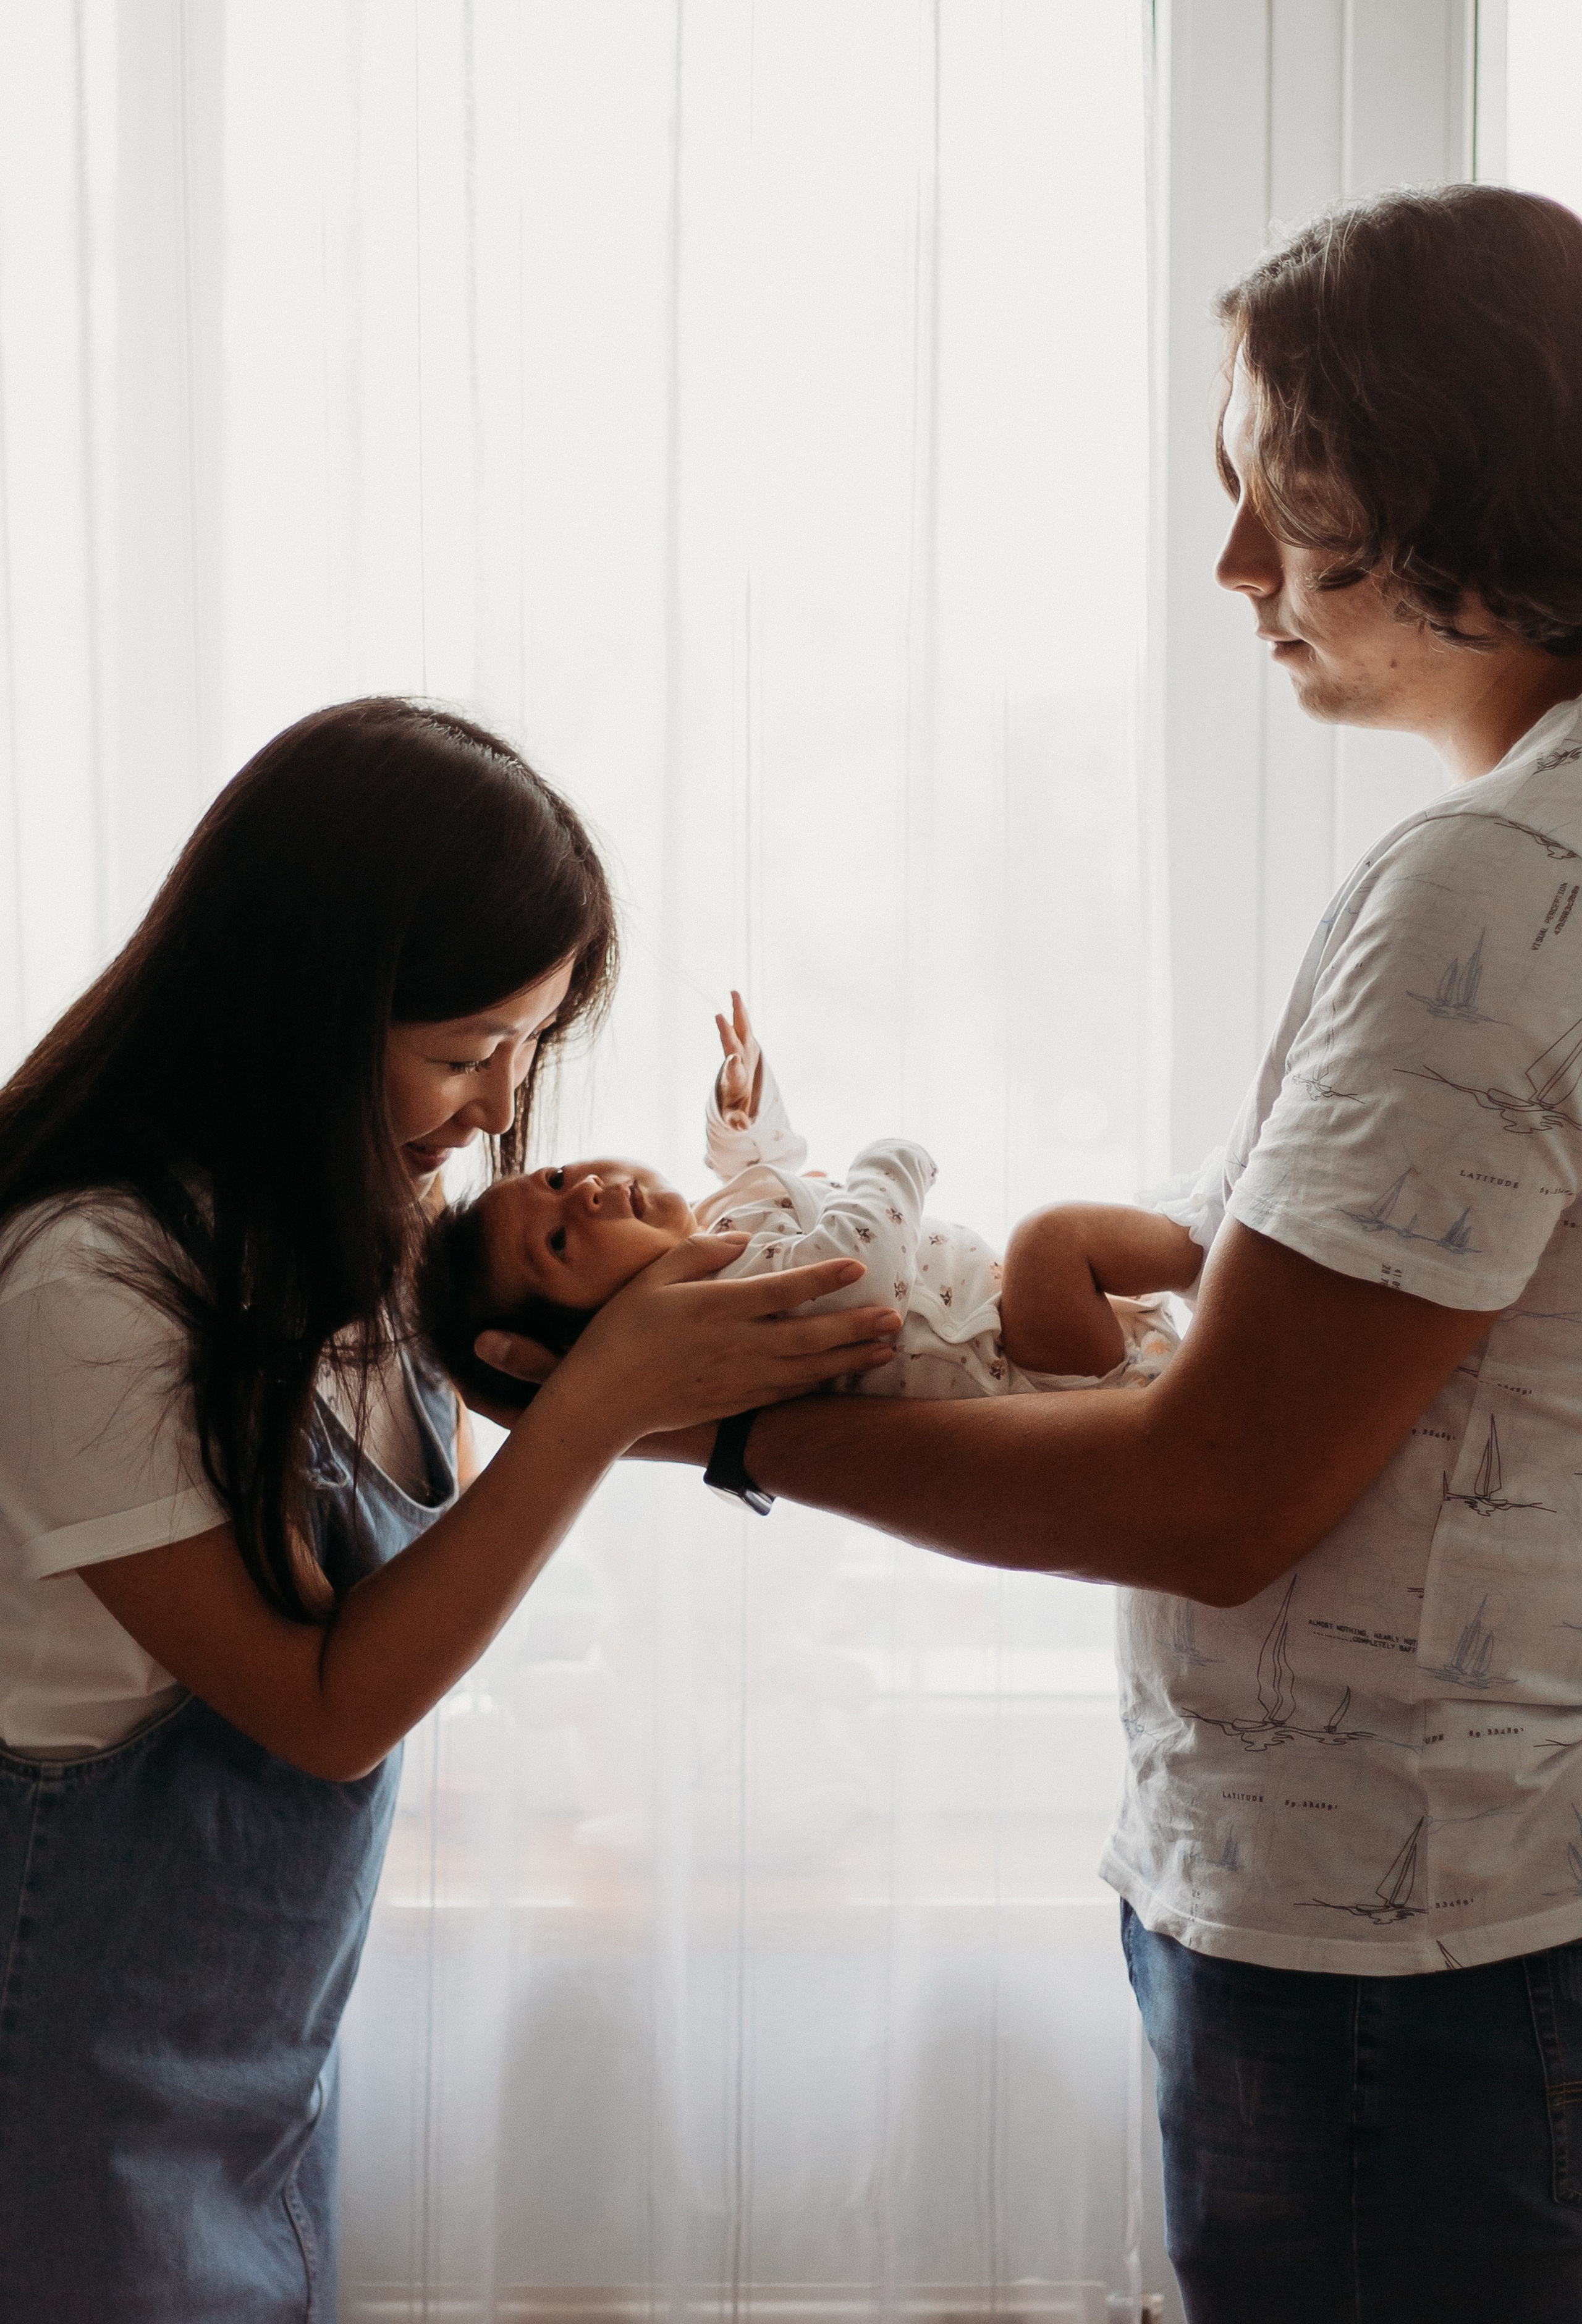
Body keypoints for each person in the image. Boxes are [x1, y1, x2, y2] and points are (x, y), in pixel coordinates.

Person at [478, 188, 1582, 2320]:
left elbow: (1215, 1494)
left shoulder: (1488, 887)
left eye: (1286, 493)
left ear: (1452, 485)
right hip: (1448, 1910)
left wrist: (715, 1435)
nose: (1235, 562)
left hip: (1399, 1957)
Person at [0, 697, 900, 2323]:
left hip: (255, 2079)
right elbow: (326, 1710)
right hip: (66, 2088)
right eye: (467, 1050)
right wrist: (605, 1398)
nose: (501, 1107)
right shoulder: (90, 1281)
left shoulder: (370, 1243)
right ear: (301, 1005)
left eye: (530, 1045)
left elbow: (474, 1521)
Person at [418, 990, 1191, 1411]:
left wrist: (741, 1116)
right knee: (1051, 1240)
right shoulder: (714, 1299)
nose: (584, 1192)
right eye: (557, 1242)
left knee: (1075, 1245)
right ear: (593, 1329)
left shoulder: (715, 1229)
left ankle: (1205, 1255)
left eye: (555, 1179)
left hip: (1017, 1325)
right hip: (1020, 1366)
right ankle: (1211, 1245)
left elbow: (775, 1176)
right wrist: (890, 1164)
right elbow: (860, 1277)